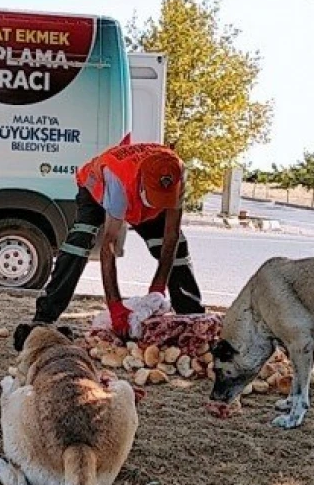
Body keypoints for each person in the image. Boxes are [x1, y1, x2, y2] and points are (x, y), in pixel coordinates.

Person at [16, 142, 204, 347]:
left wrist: (158, 286)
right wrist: (115, 306)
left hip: (136, 193)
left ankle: (192, 318)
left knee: (179, 250)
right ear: (142, 184)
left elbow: (171, 235)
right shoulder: (118, 182)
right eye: (154, 198)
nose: (159, 204)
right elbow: (109, 246)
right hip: (96, 190)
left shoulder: (176, 173)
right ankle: (45, 316)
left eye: (163, 200)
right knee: (79, 243)